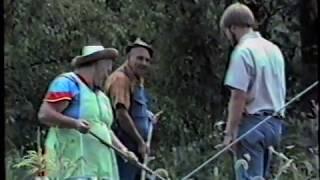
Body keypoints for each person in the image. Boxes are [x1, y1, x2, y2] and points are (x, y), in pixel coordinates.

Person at [38, 44, 138, 179]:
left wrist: (124, 151)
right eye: (106, 71)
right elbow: (45, 114)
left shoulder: (101, 97)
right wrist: (74, 123)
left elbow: (104, 129)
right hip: (74, 167)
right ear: (97, 65)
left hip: (100, 169)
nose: (107, 76)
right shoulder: (68, 83)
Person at [219, 3, 286, 179]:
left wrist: (229, 133)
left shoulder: (242, 52)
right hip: (275, 124)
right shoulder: (274, 49)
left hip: (252, 125)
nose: (227, 36)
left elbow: (238, 96)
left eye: (226, 31)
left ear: (232, 28)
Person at [105, 38, 161, 180]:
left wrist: (147, 116)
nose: (144, 63)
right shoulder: (120, 79)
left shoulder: (136, 78)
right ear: (129, 58)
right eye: (140, 58)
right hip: (124, 146)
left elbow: (133, 108)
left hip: (136, 148)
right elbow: (121, 114)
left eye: (147, 60)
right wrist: (140, 142)